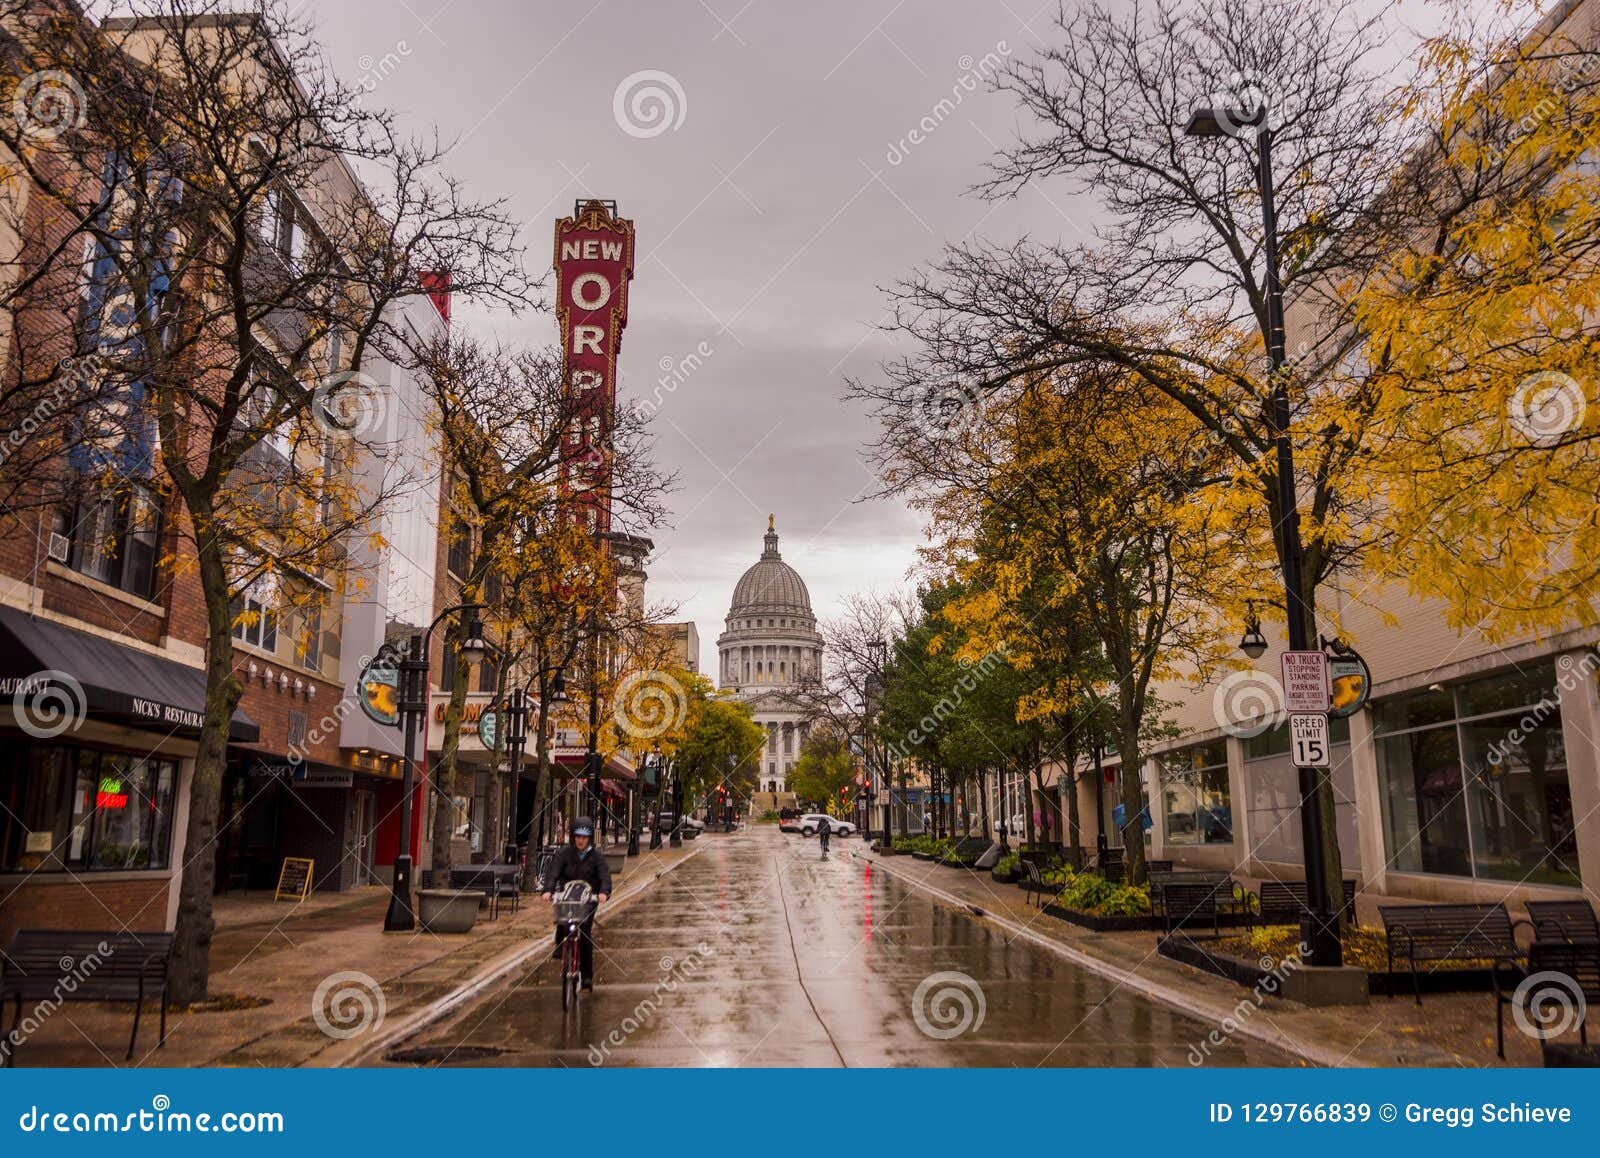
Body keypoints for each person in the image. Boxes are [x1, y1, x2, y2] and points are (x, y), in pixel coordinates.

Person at [542, 817, 611, 990]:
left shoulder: (597, 857)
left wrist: (603, 893)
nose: (580, 840)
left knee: (585, 932)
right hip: (568, 894)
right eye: (578, 836)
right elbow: (553, 873)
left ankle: (587, 975)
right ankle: (560, 945)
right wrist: (548, 890)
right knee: (562, 917)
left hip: (588, 897)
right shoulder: (564, 854)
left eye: (584, 837)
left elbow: (605, 877)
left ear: (589, 838)